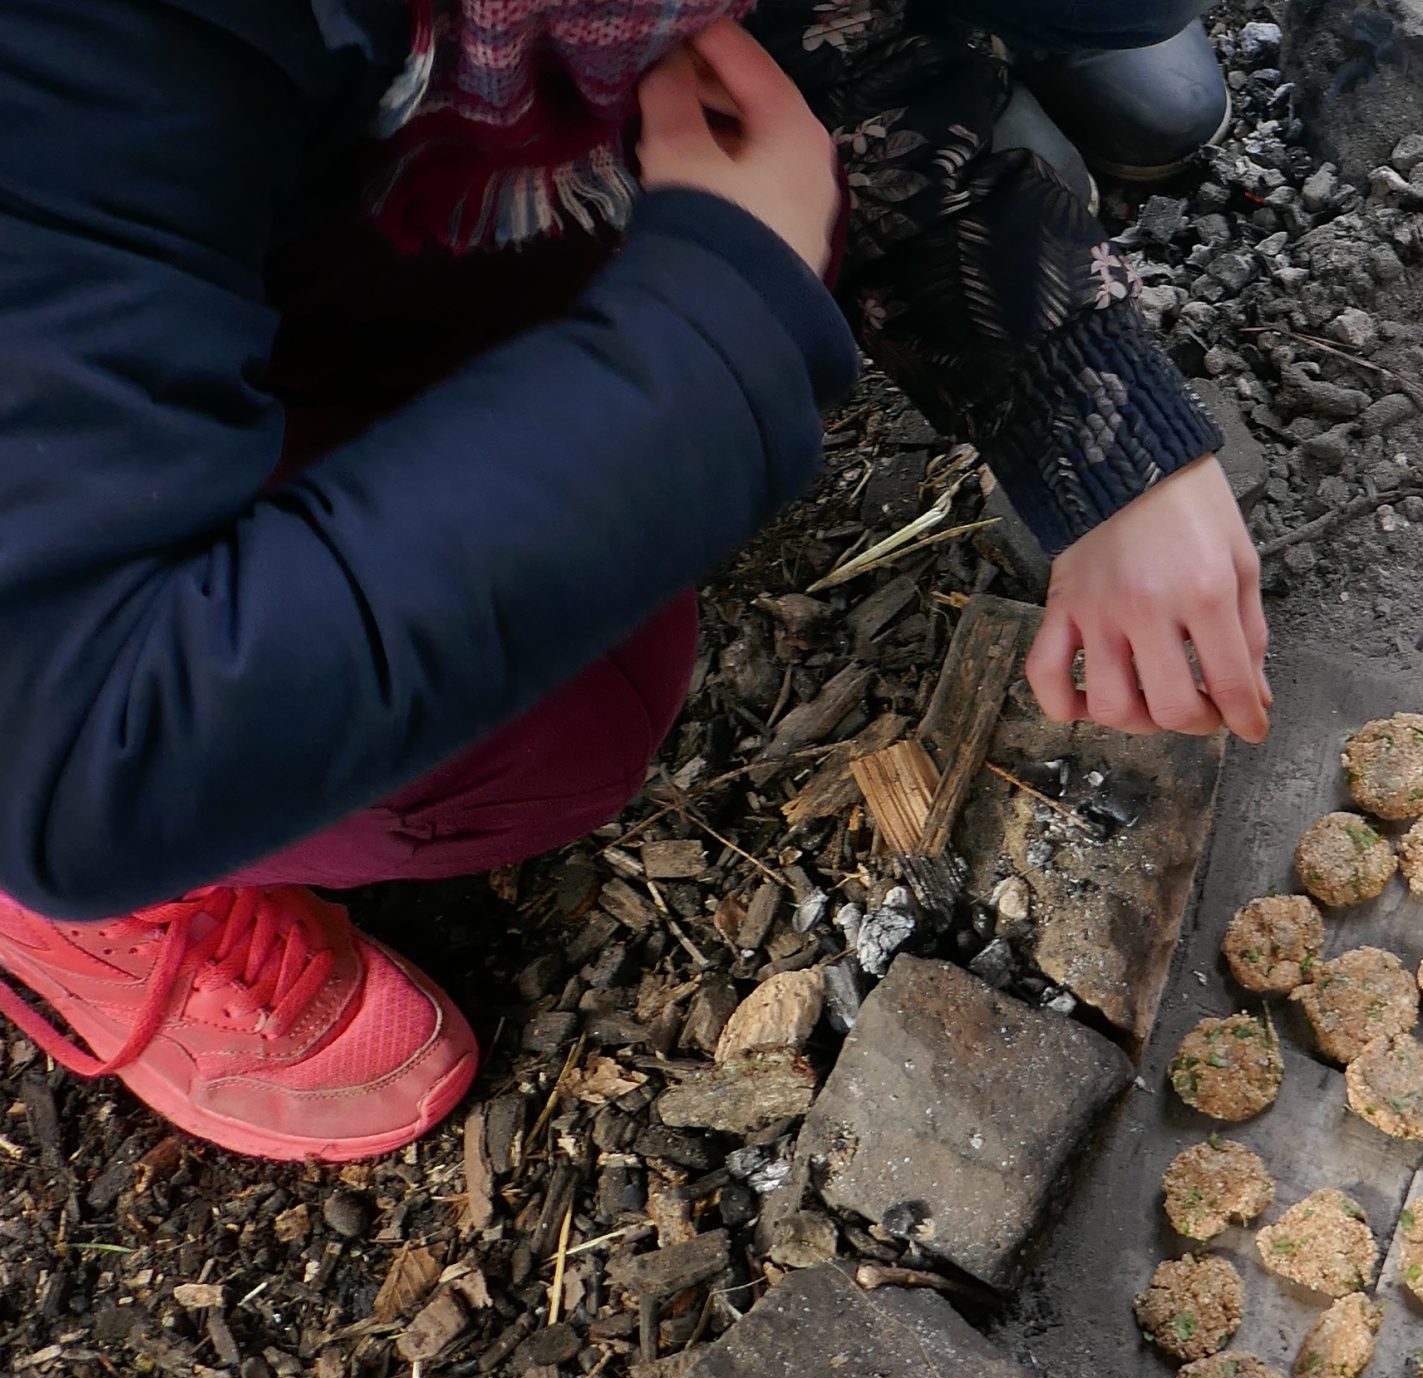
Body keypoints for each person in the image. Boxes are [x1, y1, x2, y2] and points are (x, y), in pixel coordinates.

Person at [0, 0, 1267, 1164]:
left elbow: (834, 45)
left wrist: (1082, 413)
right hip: (45, 652)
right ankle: (72, 914)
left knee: (755, 210)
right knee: (563, 727)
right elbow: (75, 737)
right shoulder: (81, 54)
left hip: (309, 170)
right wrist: (707, 344)